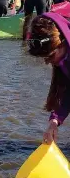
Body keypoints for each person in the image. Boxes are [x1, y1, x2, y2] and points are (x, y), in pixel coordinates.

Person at [27, 12, 70, 144]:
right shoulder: (63, 60)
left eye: (50, 56)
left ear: (62, 43)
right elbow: (67, 92)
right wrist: (54, 121)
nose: (47, 62)